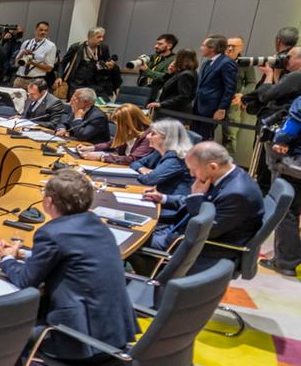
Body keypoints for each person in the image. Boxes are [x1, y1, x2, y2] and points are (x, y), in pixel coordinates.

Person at [0, 170, 140, 366]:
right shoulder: (97, 225)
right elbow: (71, 256)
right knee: (43, 306)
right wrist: (21, 253)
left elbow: (25, 280)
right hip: (115, 333)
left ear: (49, 202)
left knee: (8, 326)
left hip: (82, 342)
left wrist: (7, 260)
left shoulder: (51, 233)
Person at [143, 141, 264, 274]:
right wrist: (163, 198)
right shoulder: (226, 174)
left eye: (193, 170)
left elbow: (204, 229)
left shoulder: (237, 193)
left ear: (212, 167)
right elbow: (203, 205)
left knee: (133, 243)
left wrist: (196, 195)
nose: (191, 174)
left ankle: (151, 282)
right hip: (182, 231)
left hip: (204, 246)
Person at [260, 93, 301, 277]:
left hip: (295, 165)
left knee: (287, 212)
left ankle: (287, 262)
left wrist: (279, 140)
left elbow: (289, 131)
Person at [128, 119, 196, 200]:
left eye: (153, 134)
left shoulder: (177, 158)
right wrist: (142, 169)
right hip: (159, 196)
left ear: (167, 138)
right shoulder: (159, 152)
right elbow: (135, 163)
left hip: (173, 205)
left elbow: (149, 180)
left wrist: (140, 175)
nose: (147, 136)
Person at [192, 35, 239, 141]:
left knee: (204, 138)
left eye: (203, 45)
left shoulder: (227, 63)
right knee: (194, 137)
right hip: (198, 106)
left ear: (212, 48)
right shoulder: (206, 63)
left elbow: (230, 88)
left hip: (212, 109)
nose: (201, 48)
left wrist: (221, 108)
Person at [78, 103, 155, 166]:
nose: (118, 127)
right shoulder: (129, 130)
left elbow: (134, 159)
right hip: (122, 166)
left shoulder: (149, 135)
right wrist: (91, 148)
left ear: (129, 122)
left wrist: (101, 157)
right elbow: (111, 144)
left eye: (119, 124)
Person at [56, 27, 117, 99]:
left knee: (102, 100)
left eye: (102, 37)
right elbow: (63, 63)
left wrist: (109, 66)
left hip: (94, 83)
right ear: (90, 37)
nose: (101, 39)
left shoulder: (103, 48)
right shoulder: (76, 47)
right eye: (99, 37)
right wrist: (59, 77)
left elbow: (106, 62)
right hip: (76, 82)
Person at [145, 48, 197, 120]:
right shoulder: (182, 72)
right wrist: (169, 73)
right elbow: (165, 83)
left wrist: (161, 104)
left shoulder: (185, 75)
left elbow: (184, 96)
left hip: (174, 112)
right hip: (171, 111)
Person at [224, 37, 256, 154]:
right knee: (207, 131)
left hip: (233, 103)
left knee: (230, 136)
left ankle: (228, 165)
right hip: (214, 101)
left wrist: (242, 95)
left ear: (241, 48)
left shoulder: (246, 63)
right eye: (228, 45)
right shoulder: (218, 60)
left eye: (234, 46)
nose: (231, 48)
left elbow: (252, 82)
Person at [12, 21, 57, 89]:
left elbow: (49, 68)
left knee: (33, 99)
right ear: (35, 30)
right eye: (41, 30)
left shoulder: (51, 46)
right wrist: (22, 54)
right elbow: (16, 63)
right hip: (19, 79)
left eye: (46, 30)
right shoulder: (26, 43)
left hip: (36, 81)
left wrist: (33, 63)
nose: (43, 32)